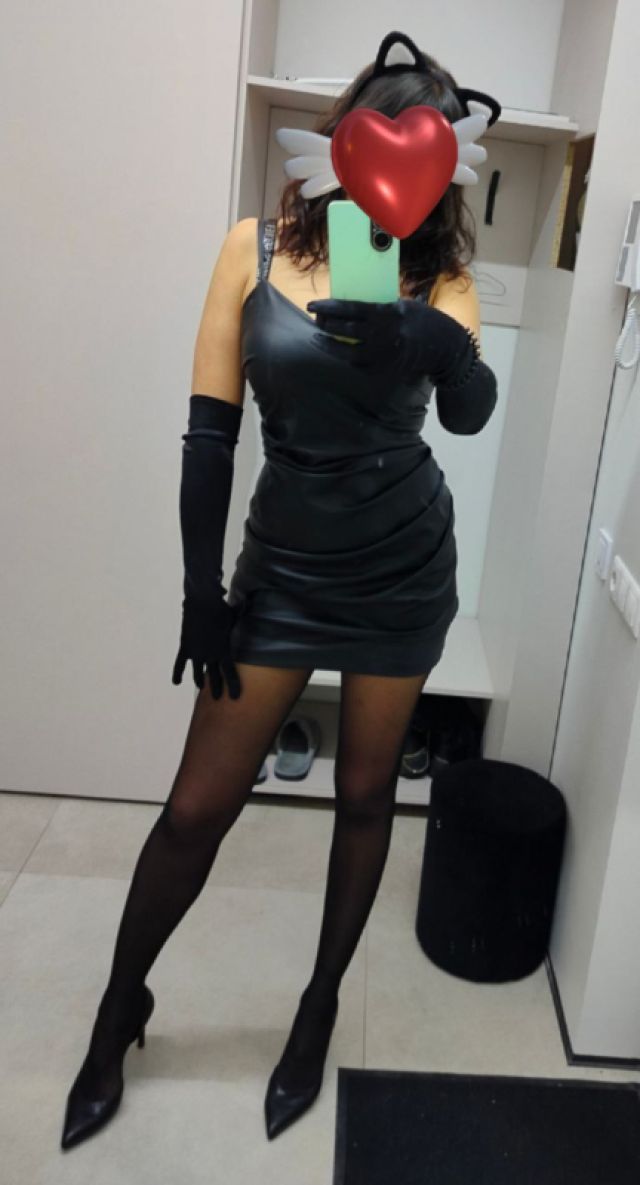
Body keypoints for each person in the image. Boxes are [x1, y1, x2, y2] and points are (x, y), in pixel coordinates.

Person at [60, 31, 498, 1151]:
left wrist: (432, 340)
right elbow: (211, 434)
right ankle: (118, 1009)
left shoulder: (442, 279)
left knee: (365, 797)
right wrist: (200, 591)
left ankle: (316, 1013)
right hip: (286, 569)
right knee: (195, 810)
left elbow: (468, 415)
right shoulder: (250, 248)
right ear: (344, 142)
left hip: (402, 572)